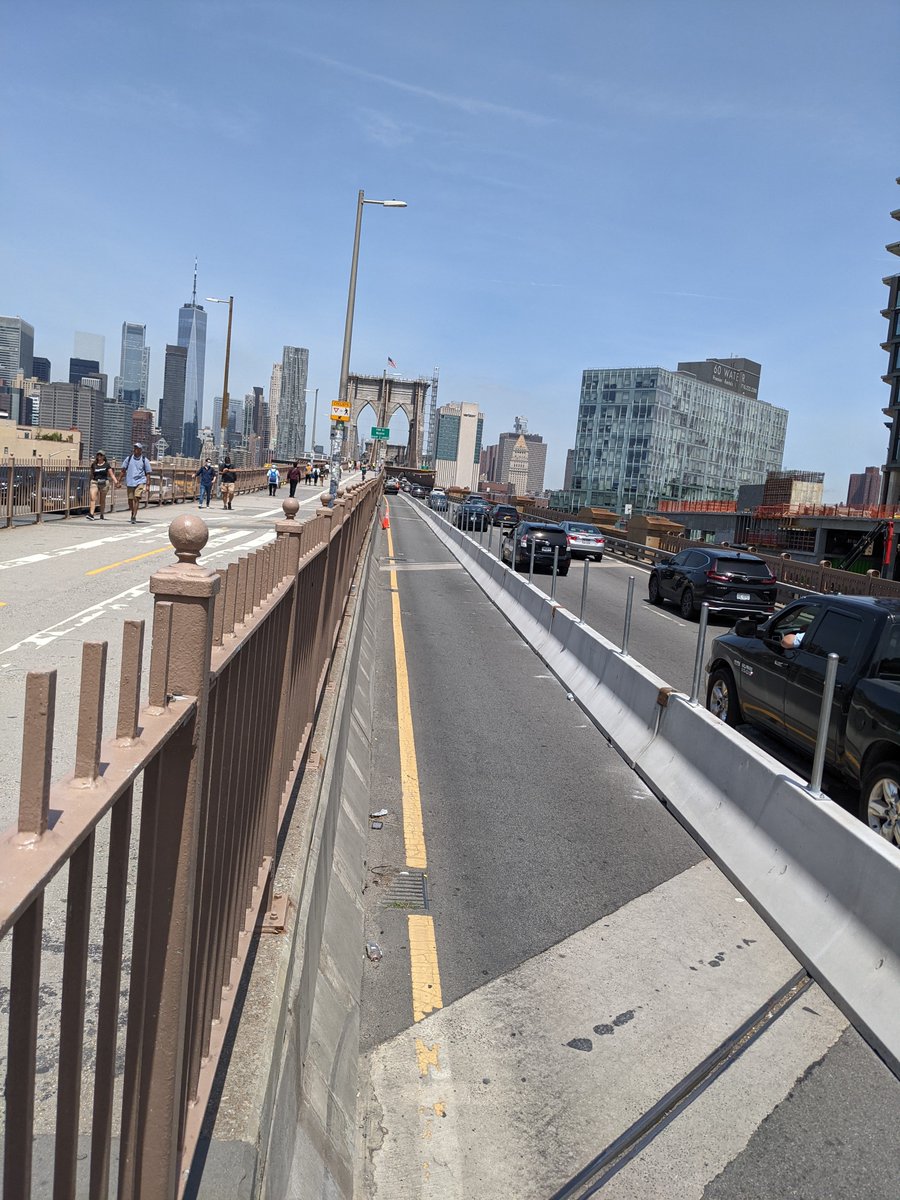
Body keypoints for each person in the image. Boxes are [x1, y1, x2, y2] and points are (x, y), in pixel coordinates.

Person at [118, 443, 153, 524]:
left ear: (140, 450)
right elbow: (123, 470)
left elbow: (148, 473)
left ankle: (134, 516)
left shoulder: (144, 460)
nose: (135, 450)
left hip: (140, 481)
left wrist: (147, 485)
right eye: (134, 448)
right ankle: (132, 512)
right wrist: (118, 480)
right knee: (130, 500)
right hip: (130, 481)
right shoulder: (129, 458)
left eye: (137, 448)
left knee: (136, 498)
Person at [86, 450, 112, 520]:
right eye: (98, 455)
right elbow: (91, 474)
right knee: (93, 497)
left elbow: (111, 474)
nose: (99, 456)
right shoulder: (94, 465)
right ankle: (91, 514)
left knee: (102, 500)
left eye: (101, 455)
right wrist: (89, 482)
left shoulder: (107, 465)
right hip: (95, 482)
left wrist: (116, 482)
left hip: (104, 483)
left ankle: (102, 514)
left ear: (103, 457)